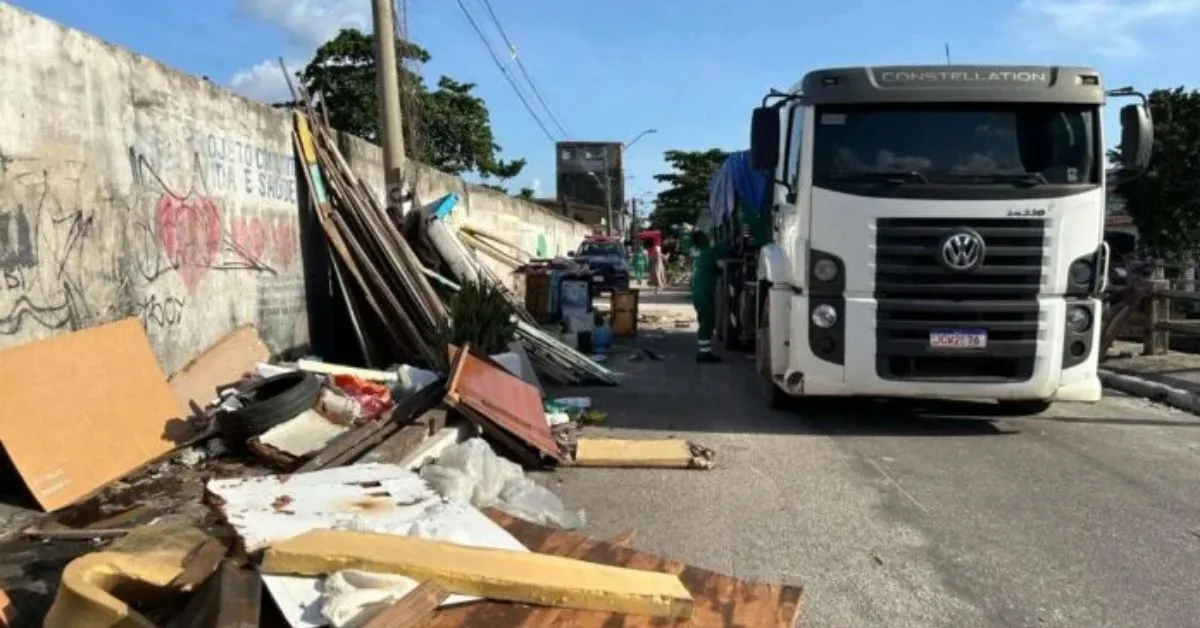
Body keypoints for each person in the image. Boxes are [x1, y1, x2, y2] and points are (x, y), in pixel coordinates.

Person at [689, 230, 723, 363]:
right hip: (705, 290)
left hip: (697, 289)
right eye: (706, 236)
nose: (709, 238)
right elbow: (720, 265)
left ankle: (703, 350)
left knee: (704, 319)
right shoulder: (709, 251)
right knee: (708, 321)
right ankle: (704, 354)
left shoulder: (696, 251)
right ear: (703, 239)